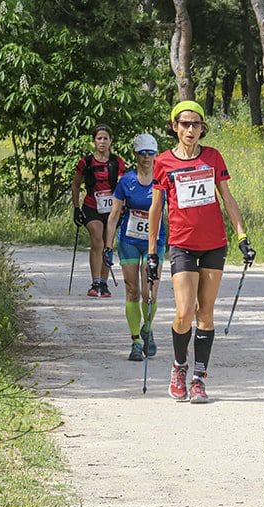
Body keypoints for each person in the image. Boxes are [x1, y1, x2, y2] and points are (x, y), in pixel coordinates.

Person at [147, 101, 255, 403]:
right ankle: (179, 367)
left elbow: (228, 198)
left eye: (196, 124)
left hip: (213, 244)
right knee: (184, 313)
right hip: (181, 243)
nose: (190, 129)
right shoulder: (164, 162)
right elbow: (156, 209)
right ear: (174, 126)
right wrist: (152, 253)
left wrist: (242, 235)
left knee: (205, 313)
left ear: (202, 127)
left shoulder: (213, 157)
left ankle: (198, 378)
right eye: (184, 124)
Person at [105, 133, 166, 362]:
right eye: (143, 154)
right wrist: (108, 246)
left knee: (149, 293)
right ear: (136, 155)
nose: (147, 158)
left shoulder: (162, 180)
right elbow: (113, 217)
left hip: (155, 242)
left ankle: (147, 328)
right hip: (129, 240)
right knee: (132, 291)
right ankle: (136, 341)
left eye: (151, 153)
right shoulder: (126, 181)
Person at [72, 124, 126, 298]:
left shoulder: (117, 162)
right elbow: (75, 184)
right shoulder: (85, 162)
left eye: (105, 138)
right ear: (94, 141)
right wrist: (76, 208)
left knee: (107, 244)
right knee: (97, 240)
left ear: (111, 141)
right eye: (99, 138)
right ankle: (95, 282)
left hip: (112, 210)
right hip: (91, 206)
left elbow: (121, 185)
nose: (102, 142)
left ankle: (103, 283)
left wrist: (123, 206)